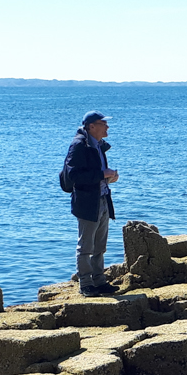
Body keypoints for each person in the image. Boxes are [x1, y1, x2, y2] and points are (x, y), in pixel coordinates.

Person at [63, 111, 119, 296]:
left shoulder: (98, 145)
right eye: (103, 123)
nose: (107, 127)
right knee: (86, 246)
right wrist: (102, 175)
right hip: (87, 202)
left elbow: (97, 173)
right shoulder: (79, 145)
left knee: (100, 245)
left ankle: (99, 281)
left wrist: (109, 178)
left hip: (102, 198)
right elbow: (74, 175)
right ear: (91, 126)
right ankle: (85, 284)